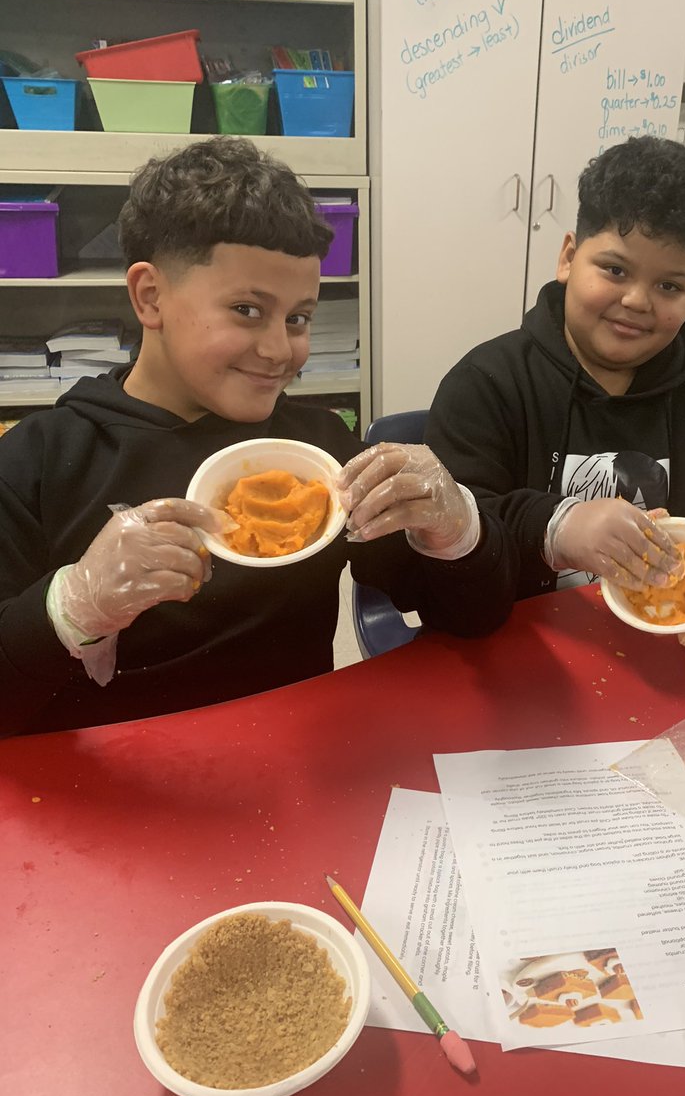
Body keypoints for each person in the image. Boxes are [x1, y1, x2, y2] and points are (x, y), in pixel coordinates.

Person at [0, 137, 517, 736]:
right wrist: (70, 607)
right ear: (150, 296)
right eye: (248, 310)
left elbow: (471, 620)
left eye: (298, 318)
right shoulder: (37, 463)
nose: (280, 351)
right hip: (104, 793)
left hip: (294, 773)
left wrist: (459, 534)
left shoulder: (321, 453)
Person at [425, 135, 685, 643]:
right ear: (569, 257)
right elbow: (454, 531)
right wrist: (557, 528)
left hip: (661, 651)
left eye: (670, 286)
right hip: (516, 645)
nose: (638, 300)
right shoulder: (487, 383)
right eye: (615, 270)